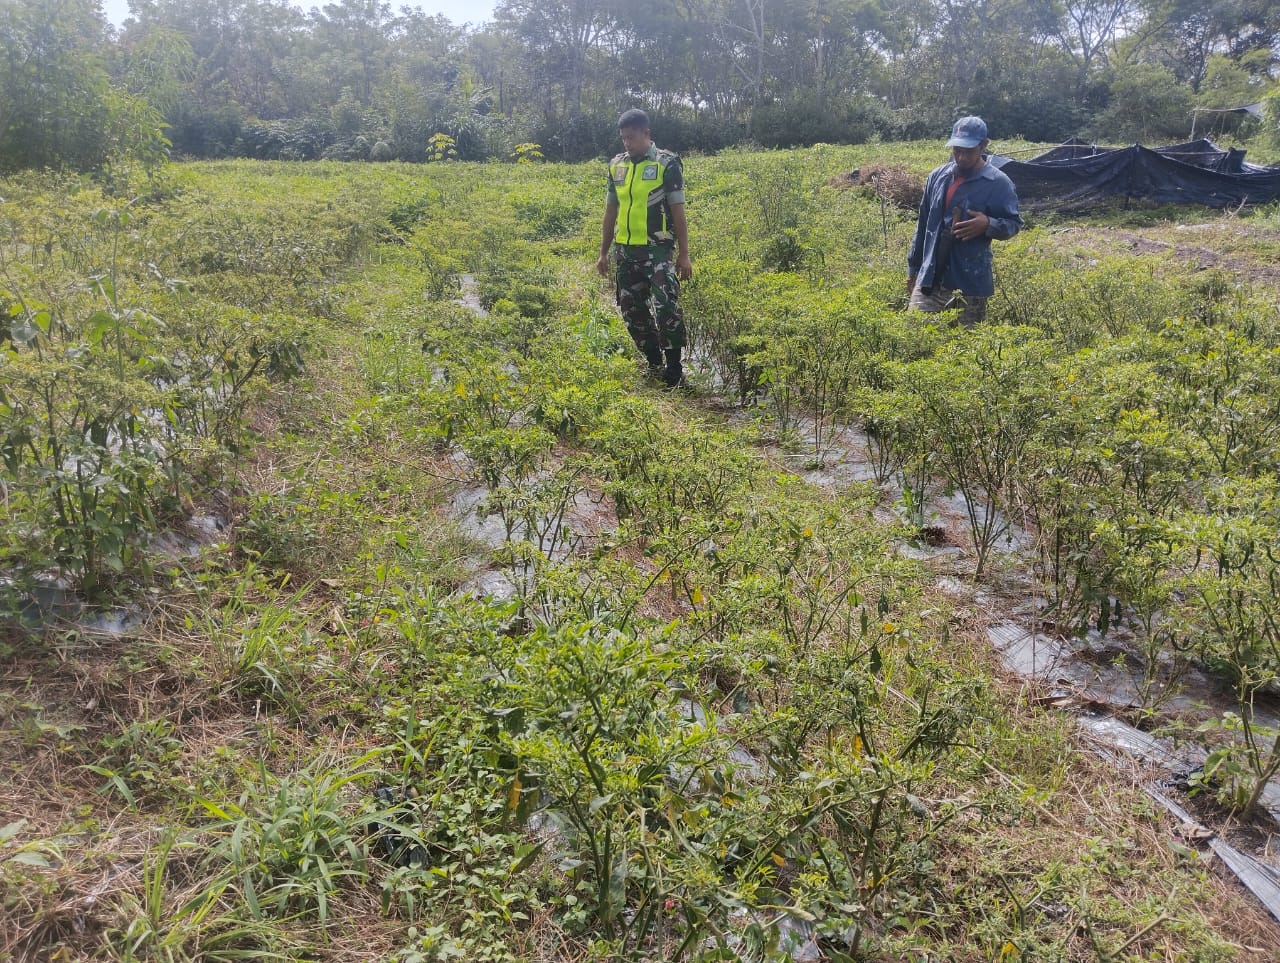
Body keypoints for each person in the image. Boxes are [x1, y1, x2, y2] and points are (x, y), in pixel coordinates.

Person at [596, 109, 692, 388]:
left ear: (646, 134)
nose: (627, 143)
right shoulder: (617, 166)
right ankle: (653, 363)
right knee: (631, 310)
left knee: (666, 307)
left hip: (658, 251)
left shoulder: (667, 163)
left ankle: (674, 369)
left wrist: (684, 255)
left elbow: (678, 212)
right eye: (624, 138)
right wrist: (603, 252)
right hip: (625, 252)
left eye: (632, 138)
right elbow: (610, 211)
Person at [907, 116, 1022, 326]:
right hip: (930, 280)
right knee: (914, 338)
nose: (961, 157)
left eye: (968, 151)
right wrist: (913, 270)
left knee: (962, 348)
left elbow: (1013, 224)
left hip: (969, 285)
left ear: (983, 145)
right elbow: (923, 225)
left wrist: (988, 224)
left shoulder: (998, 183)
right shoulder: (937, 177)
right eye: (957, 150)